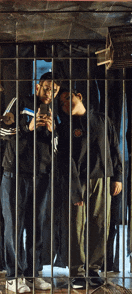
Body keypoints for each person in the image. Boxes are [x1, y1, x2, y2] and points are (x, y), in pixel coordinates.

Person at [0, 72, 61, 293]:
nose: (49, 93)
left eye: (54, 90)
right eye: (46, 88)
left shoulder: (55, 114)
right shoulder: (21, 102)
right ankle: (13, 276)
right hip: (14, 175)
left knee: (36, 227)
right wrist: (29, 126)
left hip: (41, 177)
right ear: (37, 87)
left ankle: (33, 274)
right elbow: (1, 130)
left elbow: (57, 150)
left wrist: (53, 132)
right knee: (13, 227)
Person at [55, 89, 122, 289]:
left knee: (101, 224)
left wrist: (117, 176)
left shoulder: (102, 120)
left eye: (67, 98)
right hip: (78, 181)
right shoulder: (65, 127)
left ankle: (93, 269)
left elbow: (114, 148)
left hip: (102, 179)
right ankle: (77, 272)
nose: (65, 104)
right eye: (61, 104)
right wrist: (75, 190)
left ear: (79, 96)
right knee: (75, 226)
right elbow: (65, 161)